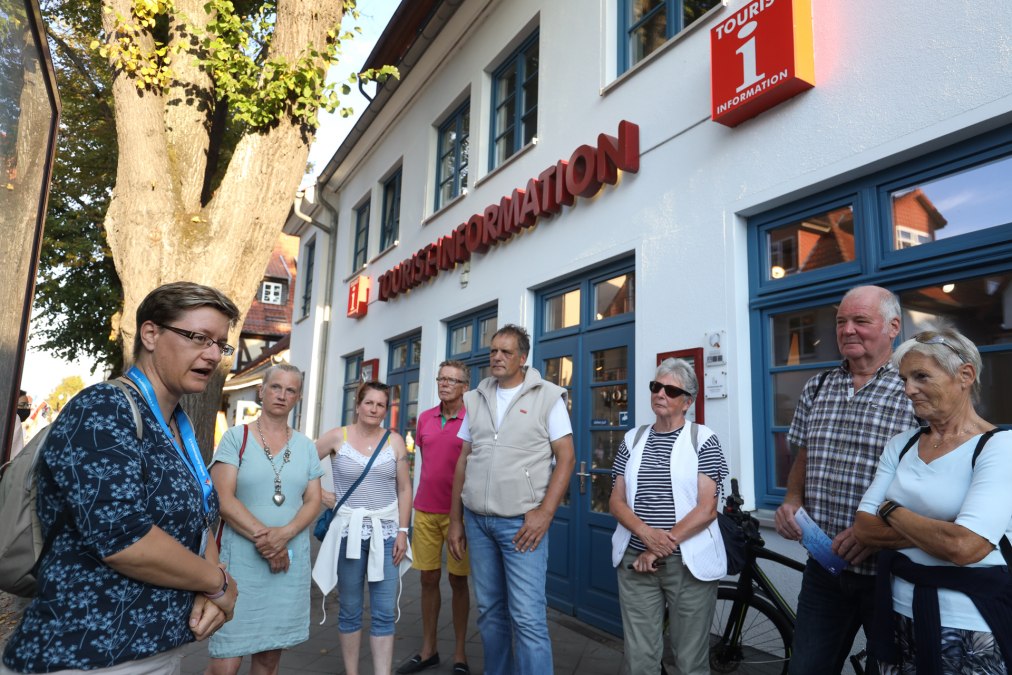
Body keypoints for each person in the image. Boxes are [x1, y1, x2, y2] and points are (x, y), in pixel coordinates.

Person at [1, 281, 240, 674]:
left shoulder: (176, 425)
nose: (213, 354)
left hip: (154, 650)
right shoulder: (104, 409)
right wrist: (219, 584)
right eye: (199, 337)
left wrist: (210, 589)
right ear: (150, 333)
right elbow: (123, 537)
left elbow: (198, 519)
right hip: (86, 655)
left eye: (221, 344)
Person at [773, 285, 919, 674]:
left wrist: (874, 530)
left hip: (892, 573)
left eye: (860, 320)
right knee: (807, 668)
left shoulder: (915, 389)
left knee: (890, 671)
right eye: (841, 321)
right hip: (825, 569)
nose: (848, 329)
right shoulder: (818, 386)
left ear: (893, 327)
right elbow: (803, 450)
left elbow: (935, 476)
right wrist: (791, 498)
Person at [854, 327, 1012, 674]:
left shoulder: (999, 447)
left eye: (921, 376)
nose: (909, 389)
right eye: (905, 379)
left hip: (970, 622)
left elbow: (964, 548)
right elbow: (863, 529)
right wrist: (947, 528)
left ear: (965, 375)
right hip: (898, 612)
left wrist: (890, 509)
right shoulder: (902, 444)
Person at [447, 324, 576, 675]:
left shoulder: (548, 397)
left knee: (528, 616)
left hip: (522, 524)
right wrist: (456, 520)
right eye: (493, 351)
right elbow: (464, 459)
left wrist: (545, 513)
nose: (497, 357)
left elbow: (566, 458)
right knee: (489, 611)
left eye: (506, 352)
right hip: (477, 521)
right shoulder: (475, 398)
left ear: (522, 358)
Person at [609, 358, 729, 675]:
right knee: (639, 659)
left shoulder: (704, 439)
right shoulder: (631, 439)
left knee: (690, 660)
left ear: (687, 401)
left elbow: (707, 509)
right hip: (636, 560)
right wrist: (645, 534)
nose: (661, 393)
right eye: (656, 386)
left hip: (686, 562)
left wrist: (662, 544)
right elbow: (616, 501)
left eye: (671, 390)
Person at [206, 364, 323, 675]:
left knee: (269, 660)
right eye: (276, 387)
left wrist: (285, 535)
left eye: (290, 390)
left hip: (288, 565)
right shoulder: (235, 437)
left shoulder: (306, 446)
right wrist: (271, 542)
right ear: (262, 390)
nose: (282, 395)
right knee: (225, 664)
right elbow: (223, 499)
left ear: (298, 397)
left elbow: (313, 500)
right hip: (241, 562)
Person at [313, 381, 413, 675]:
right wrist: (322, 496)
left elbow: (405, 489)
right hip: (348, 534)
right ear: (357, 405)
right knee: (350, 611)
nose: (374, 409)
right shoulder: (336, 437)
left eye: (381, 404)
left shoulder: (394, 441)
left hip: (386, 533)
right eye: (369, 403)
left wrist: (403, 532)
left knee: (383, 612)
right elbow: (302, 467)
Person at [396, 361, 471, 675]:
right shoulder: (425, 419)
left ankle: (460, 653)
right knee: (427, 579)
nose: (445, 384)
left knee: (458, 581)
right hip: (424, 510)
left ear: (464, 386)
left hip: (461, 515)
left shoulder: (473, 420)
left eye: (452, 380)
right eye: (441, 378)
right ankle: (429, 649)